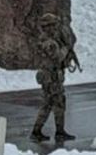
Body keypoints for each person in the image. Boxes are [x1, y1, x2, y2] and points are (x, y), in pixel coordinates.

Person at [29, 13, 80, 144]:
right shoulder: (48, 41)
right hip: (50, 78)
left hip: (52, 77)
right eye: (53, 25)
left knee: (53, 104)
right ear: (48, 27)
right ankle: (45, 132)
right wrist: (66, 48)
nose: (55, 28)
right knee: (53, 104)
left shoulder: (50, 39)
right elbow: (58, 57)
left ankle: (50, 131)